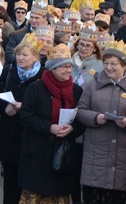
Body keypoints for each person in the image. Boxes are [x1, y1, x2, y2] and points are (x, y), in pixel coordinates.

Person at [76, 40, 126, 203]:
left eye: (114, 64)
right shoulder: (93, 84)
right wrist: (96, 118)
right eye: (106, 63)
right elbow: (80, 111)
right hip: (96, 156)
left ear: (124, 65)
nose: (109, 67)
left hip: (124, 158)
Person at [17, 43, 84, 204]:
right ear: (53, 68)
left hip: (63, 154)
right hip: (37, 152)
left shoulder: (76, 90)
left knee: (59, 194)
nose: (69, 70)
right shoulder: (36, 88)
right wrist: (49, 127)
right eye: (64, 67)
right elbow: (26, 116)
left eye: (70, 66)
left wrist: (72, 129)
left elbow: (81, 119)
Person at [0, 33, 45, 204]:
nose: (20, 58)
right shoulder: (9, 70)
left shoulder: (43, 75)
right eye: (18, 54)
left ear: (35, 57)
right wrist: (4, 107)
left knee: (29, 182)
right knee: (10, 183)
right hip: (9, 134)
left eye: (25, 55)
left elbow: (45, 104)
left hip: (30, 135)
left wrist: (25, 107)